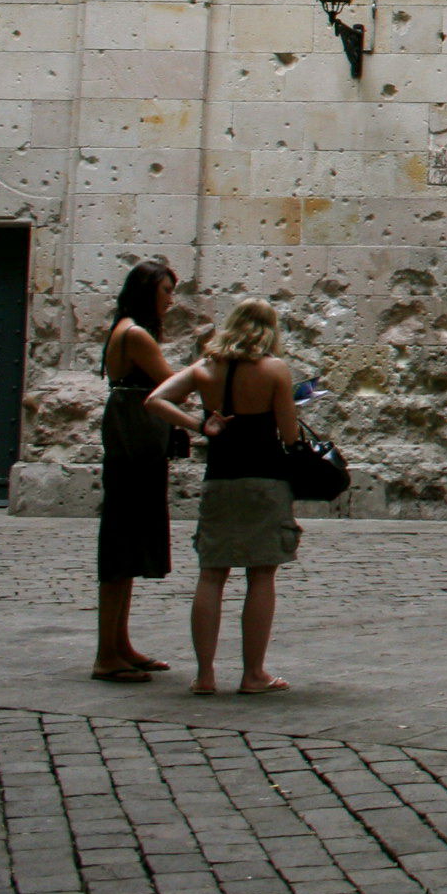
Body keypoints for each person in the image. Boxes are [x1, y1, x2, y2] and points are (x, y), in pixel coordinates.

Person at [149, 298, 301, 695]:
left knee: (211, 573)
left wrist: (201, 424)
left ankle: (204, 675)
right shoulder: (274, 370)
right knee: (261, 573)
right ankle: (253, 674)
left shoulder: (205, 369)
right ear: (269, 330)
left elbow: (156, 400)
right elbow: (289, 435)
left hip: (220, 478)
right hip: (265, 479)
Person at [94, 259, 186, 682]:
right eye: (165, 291)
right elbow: (171, 384)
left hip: (131, 442)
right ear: (147, 291)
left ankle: (120, 644)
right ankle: (105, 654)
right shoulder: (136, 334)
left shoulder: (127, 328)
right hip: (134, 447)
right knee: (120, 544)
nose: (170, 300)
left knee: (125, 545)